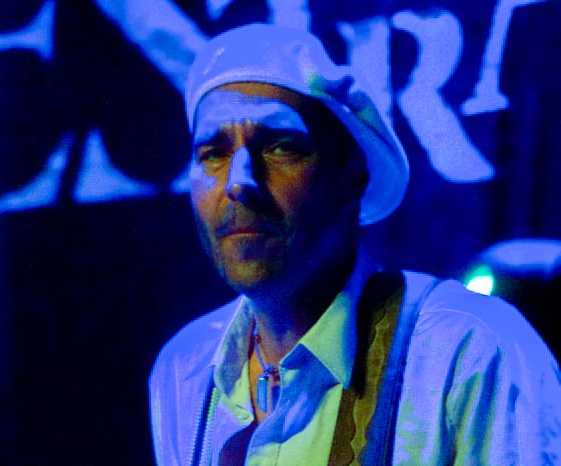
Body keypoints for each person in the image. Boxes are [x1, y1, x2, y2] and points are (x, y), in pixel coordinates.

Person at [149, 23, 561, 466]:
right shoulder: (183, 367)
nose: (239, 183)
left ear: (353, 175)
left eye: (280, 147)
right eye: (213, 153)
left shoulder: (469, 349)